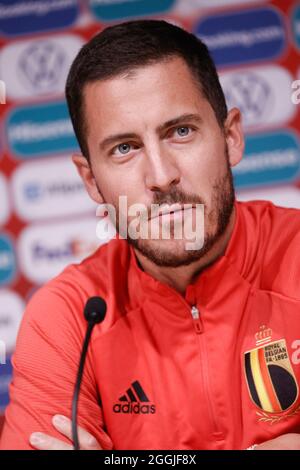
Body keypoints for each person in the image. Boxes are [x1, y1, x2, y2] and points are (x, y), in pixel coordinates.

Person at [1, 19, 300, 451]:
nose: (161, 177)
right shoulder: (68, 317)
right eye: (124, 148)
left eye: (180, 132)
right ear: (90, 180)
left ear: (230, 137)